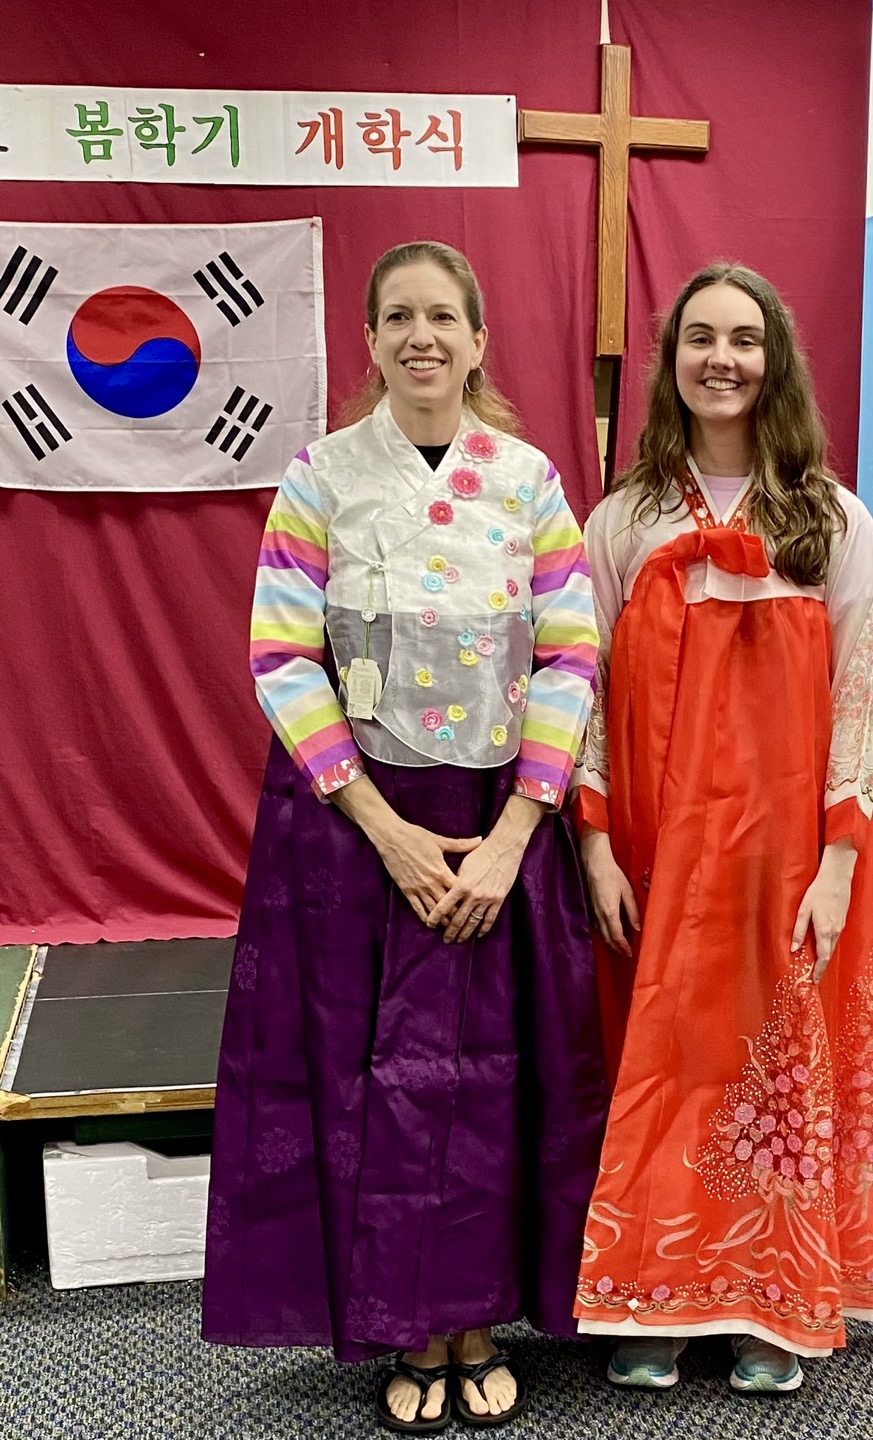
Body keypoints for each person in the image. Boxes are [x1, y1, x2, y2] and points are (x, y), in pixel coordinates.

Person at [202, 241, 608, 1433]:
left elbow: (571, 653)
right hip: (356, 826)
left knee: (494, 1078)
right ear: (372, 342)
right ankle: (408, 1325)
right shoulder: (321, 479)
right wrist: (381, 828)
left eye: (443, 317)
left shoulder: (528, 483)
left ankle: (479, 1322)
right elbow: (282, 655)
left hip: (499, 821)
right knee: (368, 1079)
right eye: (398, 317)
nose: (421, 336)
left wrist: (516, 832)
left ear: (479, 341)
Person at [570, 263, 873, 1395]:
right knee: (667, 1064)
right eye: (700, 338)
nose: (722, 358)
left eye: (745, 339)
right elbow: (575, 688)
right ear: (670, 360)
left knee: (776, 1070)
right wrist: (594, 843)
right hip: (658, 850)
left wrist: (838, 862)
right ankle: (656, 1296)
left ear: (777, 362)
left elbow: (864, 695)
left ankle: (776, 1303)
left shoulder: (833, 520)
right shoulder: (621, 523)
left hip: (791, 854)